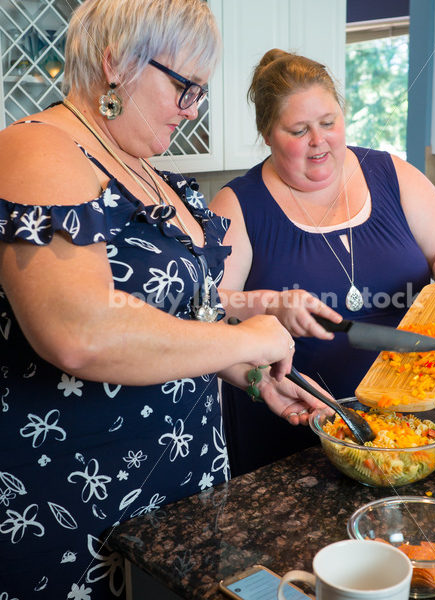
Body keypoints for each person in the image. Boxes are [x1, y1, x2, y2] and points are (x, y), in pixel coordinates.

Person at [0, 11, 329, 599]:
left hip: (182, 497)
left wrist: (249, 375)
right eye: (184, 87)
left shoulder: (154, 176)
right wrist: (250, 338)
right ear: (117, 63)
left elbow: (179, 317)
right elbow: (82, 331)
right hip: (75, 505)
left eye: (199, 93)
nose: (192, 109)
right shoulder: (38, 149)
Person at [210, 49, 435, 477]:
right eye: (298, 130)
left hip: (401, 423)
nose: (319, 141)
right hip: (288, 425)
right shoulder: (238, 203)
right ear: (267, 133)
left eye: (328, 122)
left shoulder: (391, 172)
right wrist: (268, 303)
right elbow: (209, 305)